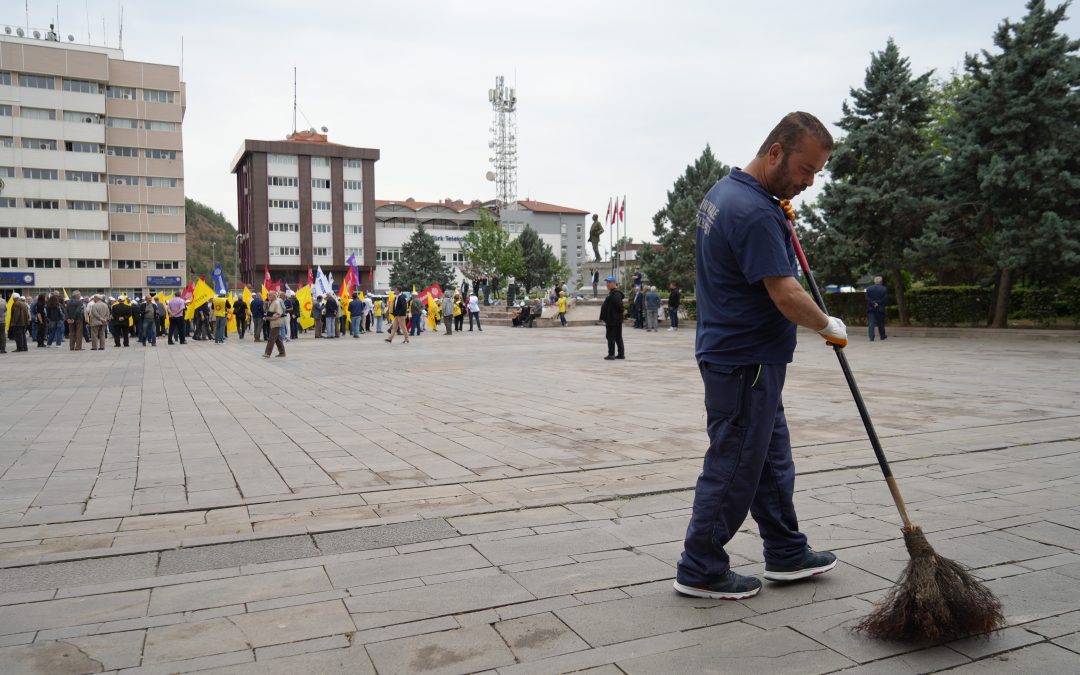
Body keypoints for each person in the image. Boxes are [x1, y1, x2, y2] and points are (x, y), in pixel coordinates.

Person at [674, 111, 848, 601]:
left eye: (816, 173)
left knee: (770, 461)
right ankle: (701, 566)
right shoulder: (752, 211)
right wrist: (825, 324)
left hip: (746, 357)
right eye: (805, 169)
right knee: (734, 465)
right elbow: (785, 292)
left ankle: (786, 551)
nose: (808, 183)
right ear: (775, 152)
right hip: (744, 361)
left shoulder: (726, 193)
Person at [599, 276, 624, 360]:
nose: (607, 284)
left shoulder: (616, 293)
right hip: (613, 319)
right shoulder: (612, 292)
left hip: (613, 320)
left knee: (611, 337)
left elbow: (620, 306)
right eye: (607, 282)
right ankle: (621, 354)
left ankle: (611, 354)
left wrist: (616, 315)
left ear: (614, 283)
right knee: (617, 337)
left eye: (609, 282)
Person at [262, 290, 286, 357]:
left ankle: (267, 353)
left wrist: (269, 318)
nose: (268, 296)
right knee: (277, 339)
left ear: (273, 296)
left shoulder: (276, 303)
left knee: (271, 338)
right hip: (273, 323)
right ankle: (282, 352)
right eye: (268, 295)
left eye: (269, 295)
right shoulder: (272, 302)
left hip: (276, 322)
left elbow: (278, 313)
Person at [866, 276, 888, 341]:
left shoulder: (869, 288)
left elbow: (867, 298)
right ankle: (882, 336)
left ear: (874, 281)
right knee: (880, 323)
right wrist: (877, 303)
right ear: (881, 281)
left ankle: (871, 337)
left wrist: (873, 303)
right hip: (880, 308)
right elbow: (885, 298)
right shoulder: (884, 288)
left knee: (871, 323)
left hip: (871, 308)